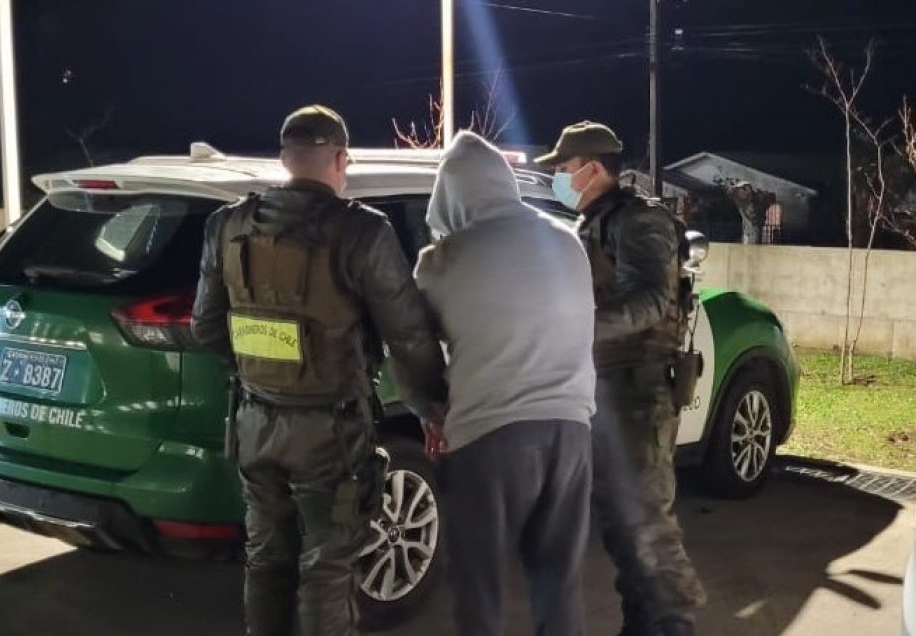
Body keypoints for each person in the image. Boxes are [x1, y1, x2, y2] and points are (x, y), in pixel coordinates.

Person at [191, 105, 448, 636]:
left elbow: (206, 327)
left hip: (255, 422)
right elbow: (407, 333)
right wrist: (429, 405)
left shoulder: (228, 224)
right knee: (327, 567)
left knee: (266, 557)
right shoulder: (362, 231)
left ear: (285, 158)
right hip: (330, 432)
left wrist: (260, 369)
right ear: (340, 159)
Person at [413, 130, 597, 636]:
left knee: (480, 589)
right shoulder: (566, 241)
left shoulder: (441, 262)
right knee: (558, 586)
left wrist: (429, 408)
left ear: (450, 196)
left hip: (488, 439)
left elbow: (413, 345)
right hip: (572, 433)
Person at [535, 121, 707, 636]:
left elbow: (651, 301)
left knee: (646, 528)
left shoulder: (638, 220)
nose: (559, 177)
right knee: (623, 528)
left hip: (639, 392)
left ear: (592, 169)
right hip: (609, 391)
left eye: (564, 168)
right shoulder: (596, 221)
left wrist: (574, 326)